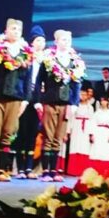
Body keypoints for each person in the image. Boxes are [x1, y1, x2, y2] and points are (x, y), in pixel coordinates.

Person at [0, 18, 33, 181]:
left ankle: (2, 170)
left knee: (8, 133)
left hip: (16, 97)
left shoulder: (26, 53)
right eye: (13, 29)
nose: (15, 32)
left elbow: (28, 78)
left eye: (18, 29)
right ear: (6, 31)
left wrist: (26, 99)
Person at [33, 29, 85, 181]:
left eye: (68, 40)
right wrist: (38, 101)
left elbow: (77, 83)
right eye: (63, 39)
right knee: (48, 136)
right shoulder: (49, 59)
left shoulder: (75, 61)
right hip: (50, 101)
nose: (66, 42)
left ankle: (54, 171)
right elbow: (39, 81)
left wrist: (74, 103)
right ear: (56, 42)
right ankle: (45, 171)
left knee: (58, 137)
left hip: (65, 103)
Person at [14, 24, 47, 178]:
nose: (41, 43)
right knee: (22, 131)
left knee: (33, 133)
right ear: (32, 42)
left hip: (38, 99)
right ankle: (20, 167)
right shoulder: (25, 56)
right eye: (38, 40)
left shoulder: (47, 59)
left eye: (43, 41)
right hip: (23, 97)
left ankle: (29, 167)